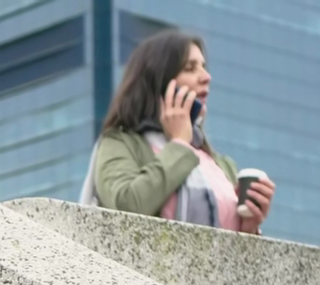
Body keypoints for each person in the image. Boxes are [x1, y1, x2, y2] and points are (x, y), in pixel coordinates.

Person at [82, 29, 276, 234]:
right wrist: (180, 144)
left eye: (203, 67)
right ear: (159, 81)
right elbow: (125, 207)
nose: (206, 77)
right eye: (190, 68)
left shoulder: (222, 166)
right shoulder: (119, 143)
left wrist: (248, 227)